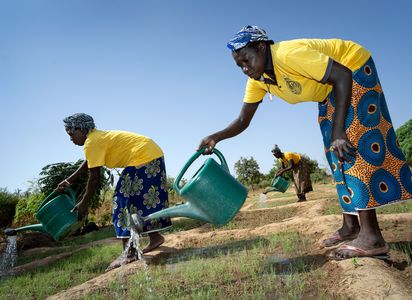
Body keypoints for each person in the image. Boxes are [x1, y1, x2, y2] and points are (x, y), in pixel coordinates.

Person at [197, 25, 412, 260]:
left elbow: (342, 75)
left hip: (353, 70)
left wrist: (340, 131)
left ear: (261, 47)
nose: (245, 69)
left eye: (246, 61)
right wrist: (216, 136)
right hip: (329, 91)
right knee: (334, 152)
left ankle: (372, 237)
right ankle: (350, 226)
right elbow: (242, 120)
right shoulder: (259, 80)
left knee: (348, 147)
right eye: (239, 66)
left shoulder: (288, 55)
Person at [57, 113, 172, 270]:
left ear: (81, 129)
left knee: (122, 202)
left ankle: (130, 252)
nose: (70, 138)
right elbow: (89, 163)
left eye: (71, 133)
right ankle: (155, 237)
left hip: (143, 157)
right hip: (152, 154)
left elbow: (94, 178)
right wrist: (69, 180)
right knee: (139, 202)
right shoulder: (96, 138)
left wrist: (84, 203)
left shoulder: (92, 141)